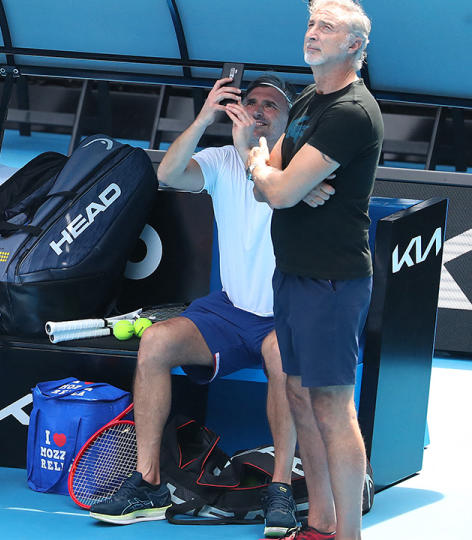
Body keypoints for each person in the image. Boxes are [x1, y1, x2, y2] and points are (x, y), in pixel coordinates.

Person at [89, 74, 301, 538]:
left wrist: (257, 157)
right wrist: (206, 115)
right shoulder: (222, 160)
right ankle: (150, 485)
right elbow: (167, 174)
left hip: (285, 314)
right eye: (252, 102)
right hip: (230, 309)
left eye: (272, 104)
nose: (260, 109)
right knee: (156, 342)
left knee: (283, 359)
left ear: (290, 118)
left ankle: (280, 488)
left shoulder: (300, 166)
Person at [248, 2, 382, 539]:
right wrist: (276, 176)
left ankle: (348, 534)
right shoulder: (308, 98)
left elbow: (276, 186)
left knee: (332, 406)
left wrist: (278, 180)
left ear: (354, 46)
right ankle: (321, 522)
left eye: (326, 27)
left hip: (332, 282)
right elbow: (268, 182)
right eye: (310, 24)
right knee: (300, 394)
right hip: (294, 273)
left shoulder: (351, 111)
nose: (312, 34)